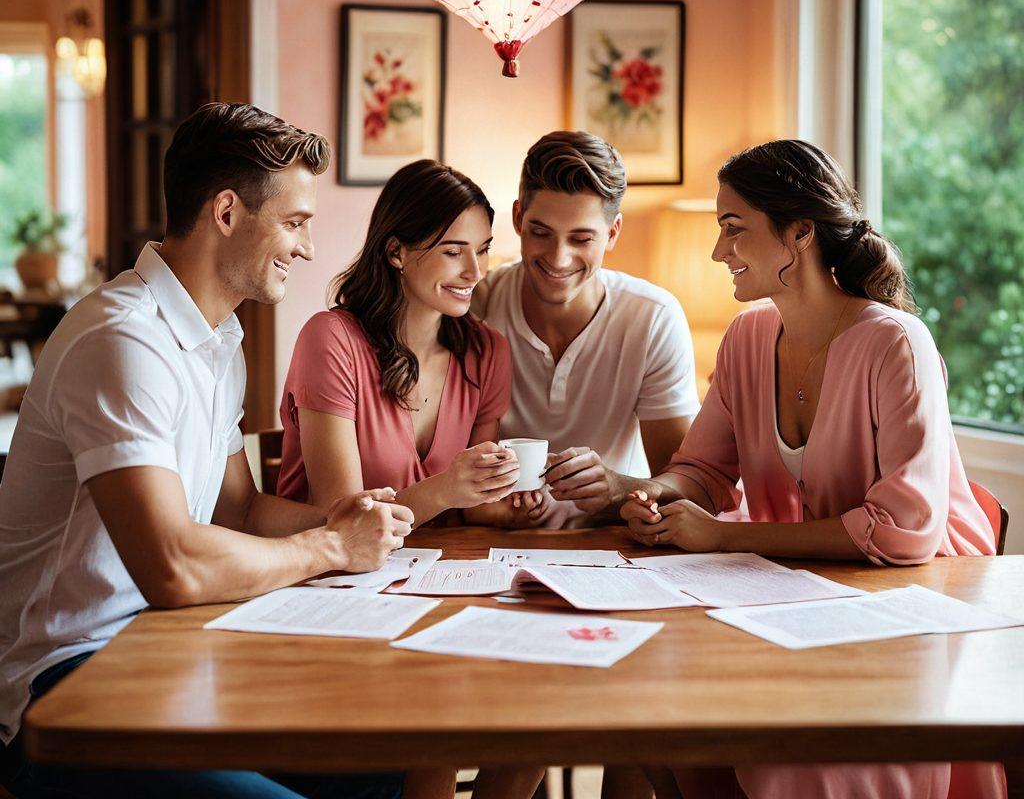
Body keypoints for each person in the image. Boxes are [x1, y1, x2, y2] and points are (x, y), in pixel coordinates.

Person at [0, 103, 413, 799]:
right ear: (227, 213)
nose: (308, 248)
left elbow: (240, 508)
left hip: (172, 649)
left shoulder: (220, 341)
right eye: (295, 222)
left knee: (377, 760)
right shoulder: (122, 340)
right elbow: (171, 567)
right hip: (64, 682)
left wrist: (348, 520)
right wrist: (331, 550)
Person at [619, 139, 1002, 799]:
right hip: (791, 602)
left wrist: (722, 536)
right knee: (652, 704)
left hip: (918, 605)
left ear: (799, 233)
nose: (719, 252)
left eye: (733, 229)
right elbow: (703, 467)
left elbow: (905, 531)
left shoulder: (895, 343)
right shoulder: (746, 338)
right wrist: (660, 492)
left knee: (797, 759)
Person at [276, 158, 542, 799]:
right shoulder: (332, 340)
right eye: (453, 252)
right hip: (326, 590)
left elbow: (469, 500)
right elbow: (343, 517)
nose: (476, 273)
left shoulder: (485, 351)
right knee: (444, 711)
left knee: (544, 714)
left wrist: (500, 505)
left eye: (481, 251)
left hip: (436, 584)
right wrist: (447, 491)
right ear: (396, 251)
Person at [470, 131, 701, 530]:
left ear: (612, 233)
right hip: (492, 541)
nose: (558, 259)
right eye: (540, 232)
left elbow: (691, 484)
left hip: (609, 547)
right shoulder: (478, 305)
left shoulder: (652, 319)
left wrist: (617, 489)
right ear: (517, 218)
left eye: (581, 239)